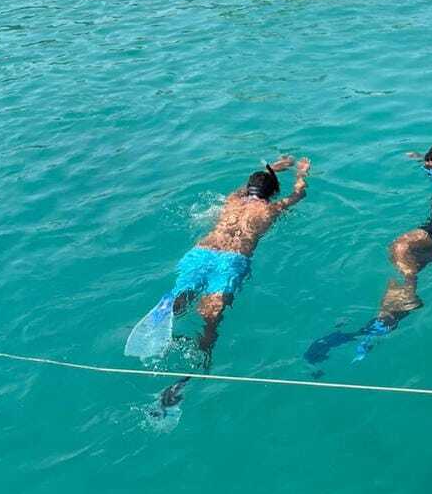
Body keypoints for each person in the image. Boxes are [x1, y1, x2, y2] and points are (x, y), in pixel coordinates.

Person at [126, 156, 311, 418]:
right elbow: (299, 194)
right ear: (271, 193)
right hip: (232, 259)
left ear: (249, 189)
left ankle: (172, 304)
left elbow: (247, 186)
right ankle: (193, 371)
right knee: (210, 318)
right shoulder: (270, 209)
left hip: (202, 251)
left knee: (185, 292)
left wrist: (275, 167)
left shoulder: (232, 200)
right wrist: (301, 172)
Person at [305, 137, 432, 368]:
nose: (430, 173)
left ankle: (409, 294)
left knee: (400, 246)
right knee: (397, 277)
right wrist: (417, 157)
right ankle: (384, 321)